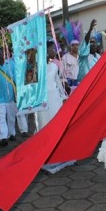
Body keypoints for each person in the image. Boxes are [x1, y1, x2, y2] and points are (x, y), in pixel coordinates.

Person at [36, 41, 74, 174]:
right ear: (46, 51)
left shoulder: (54, 65)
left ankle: (60, 153)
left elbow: (57, 81)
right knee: (45, 125)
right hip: (43, 100)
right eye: (52, 48)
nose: (54, 50)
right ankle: (47, 155)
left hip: (55, 99)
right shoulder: (38, 66)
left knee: (57, 125)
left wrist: (64, 96)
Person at [0, 47, 17, 147]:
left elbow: (16, 79)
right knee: (1, 118)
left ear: (4, 54)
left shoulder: (11, 64)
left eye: (0, 54)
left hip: (10, 97)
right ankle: (3, 137)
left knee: (11, 117)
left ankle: (12, 133)